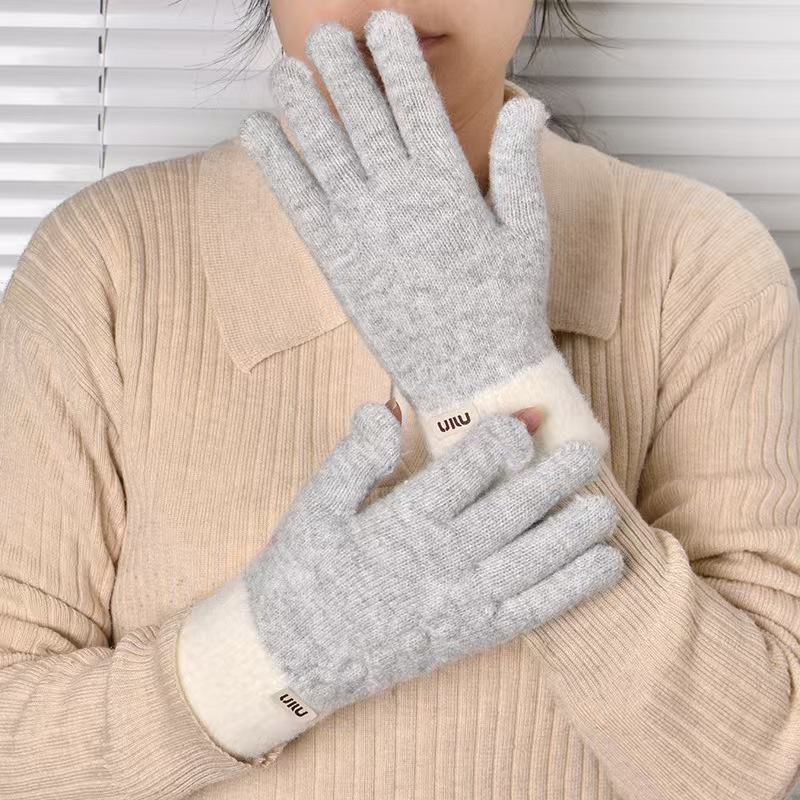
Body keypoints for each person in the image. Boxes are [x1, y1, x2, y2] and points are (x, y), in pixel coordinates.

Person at [0, 2, 798, 800]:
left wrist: (494, 383)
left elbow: (745, 769)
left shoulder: (694, 264)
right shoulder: (108, 263)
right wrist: (267, 659)